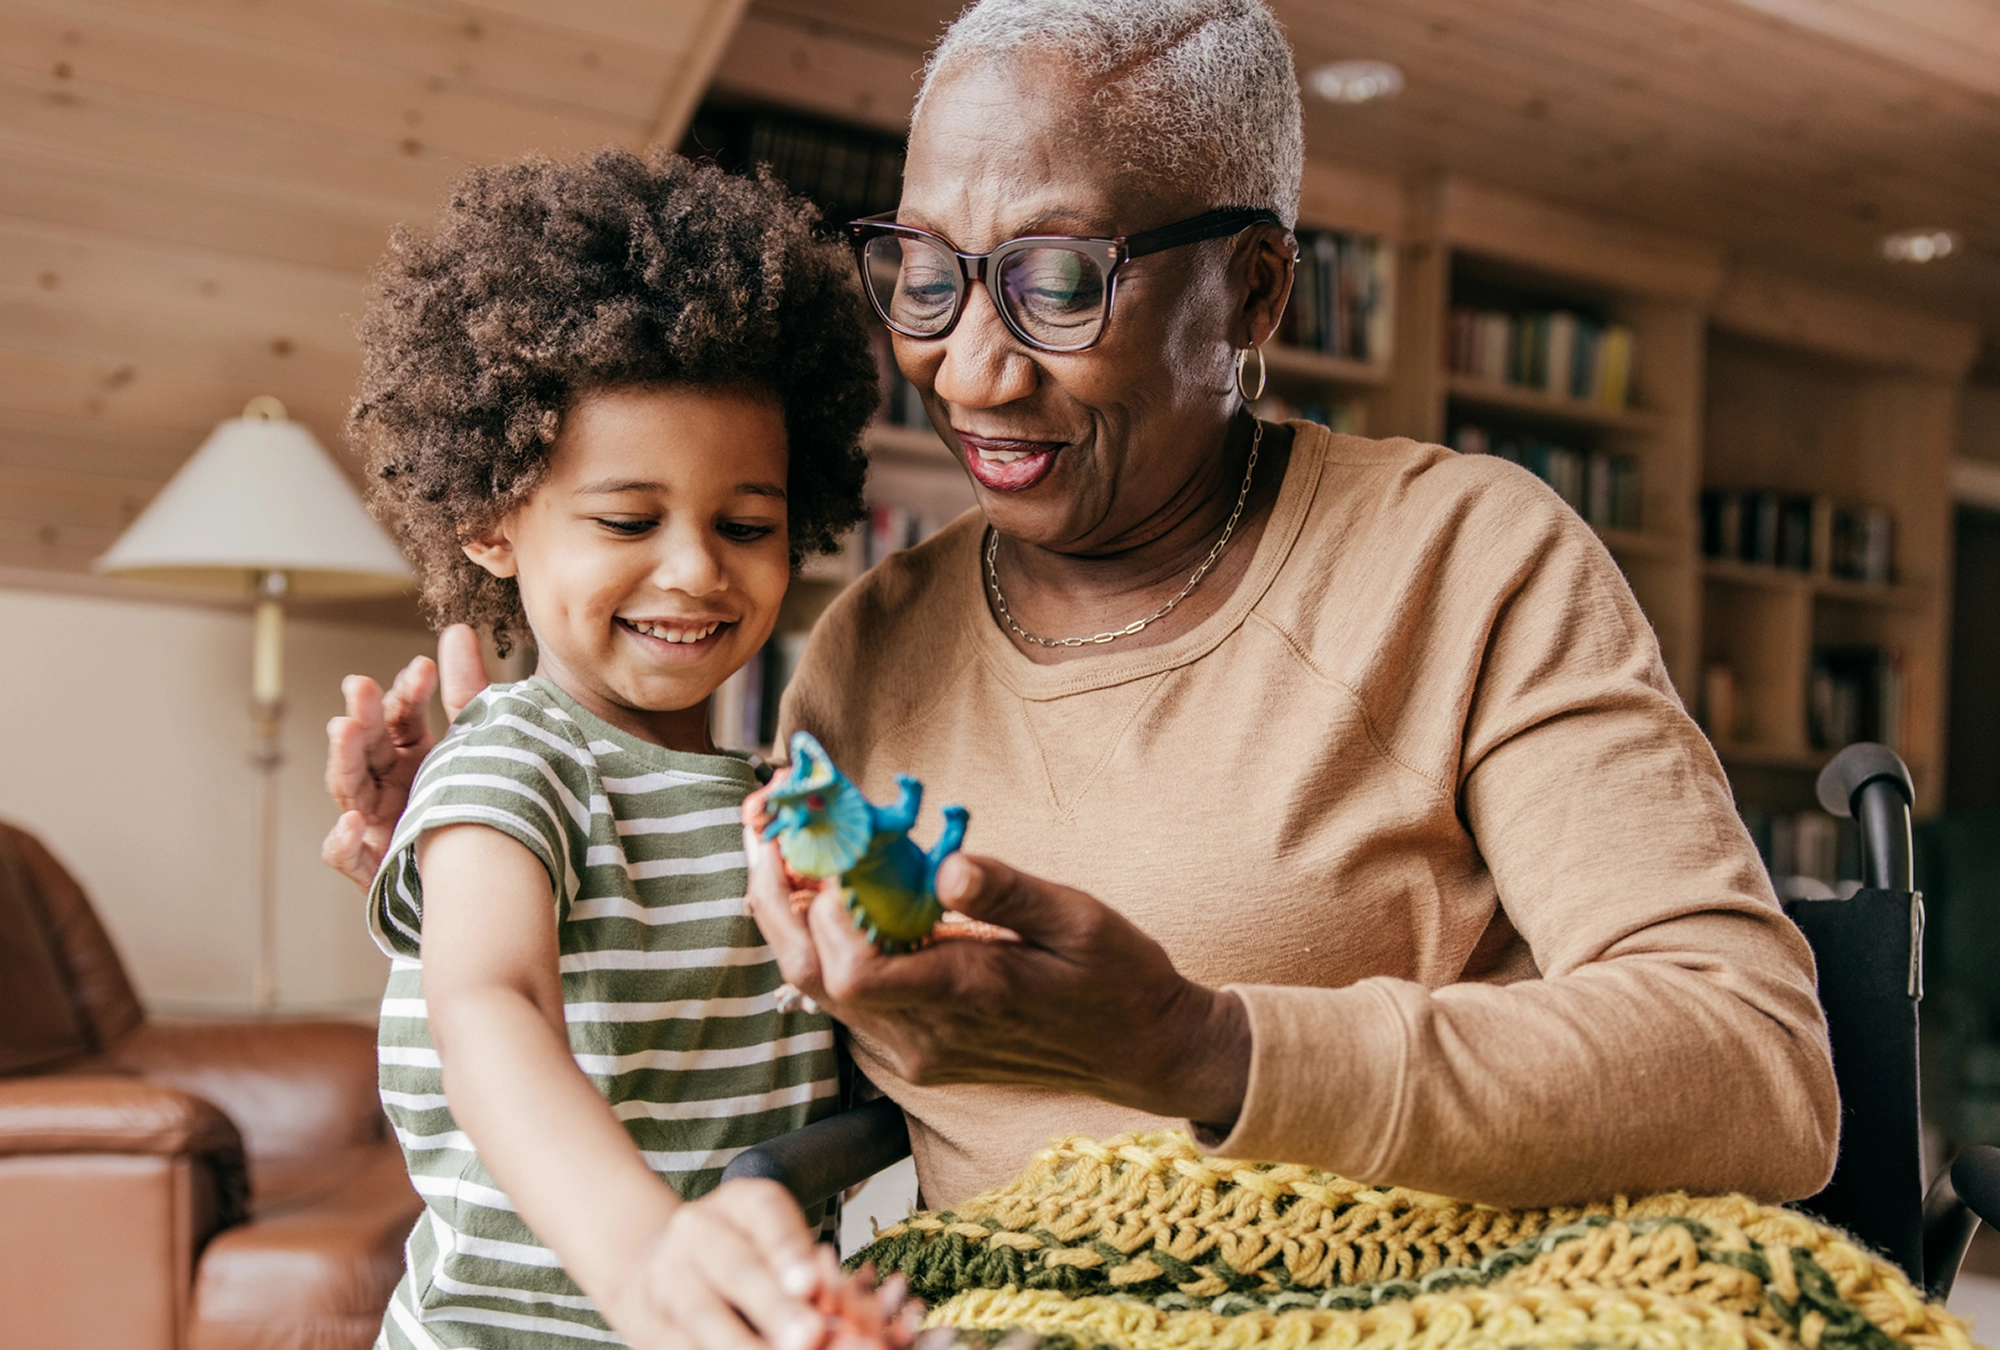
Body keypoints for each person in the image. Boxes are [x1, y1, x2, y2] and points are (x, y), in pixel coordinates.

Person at [330, 0, 1836, 1261]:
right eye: (926, 275)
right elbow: (670, 1008)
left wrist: (1202, 1047)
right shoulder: (864, 644)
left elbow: (1757, 1069)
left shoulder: (1464, 558)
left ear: (1251, 290)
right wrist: (480, 838)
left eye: (1058, 280)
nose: (972, 370)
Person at [345, 149, 908, 1349]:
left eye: (744, 524)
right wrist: (642, 1250)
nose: (697, 568)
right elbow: (487, 1003)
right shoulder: (508, 769)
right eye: (627, 519)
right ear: (490, 523)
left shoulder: (785, 794)